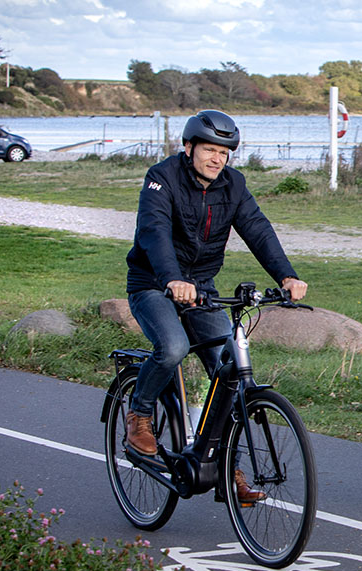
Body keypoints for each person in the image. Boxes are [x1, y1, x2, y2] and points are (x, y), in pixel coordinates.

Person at [124, 109, 307, 501]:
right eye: (209, 149)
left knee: (231, 371)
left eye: (224, 153)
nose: (216, 159)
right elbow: (153, 232)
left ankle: (227, 468)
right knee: (172, 348)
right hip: (153, 283)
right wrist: (172, 279)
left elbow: (257, 229)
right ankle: (139, 414)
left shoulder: (233, 185)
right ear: (188, 147)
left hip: (202, 288)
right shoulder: (161, 179)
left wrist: (286, 276)